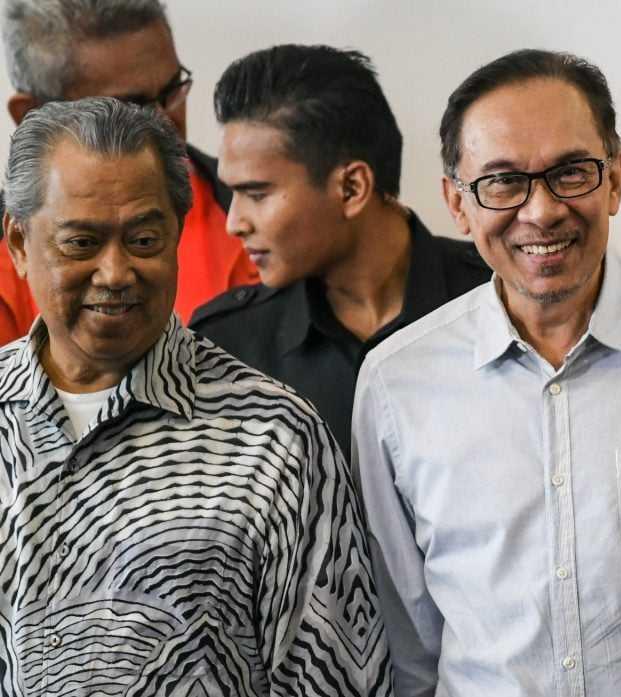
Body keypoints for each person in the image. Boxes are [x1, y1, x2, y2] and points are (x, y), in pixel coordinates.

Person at [352, 49, 621, 697]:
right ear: (457, 203)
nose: (542, 211)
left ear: (616, 178)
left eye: (571, 172)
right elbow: (408, 647)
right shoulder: (395, 383)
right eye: (502, 182)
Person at [0, 97, 391, 696]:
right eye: (81, 243)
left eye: (144, 240)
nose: (116, 273)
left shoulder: (275, 439)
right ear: (20, 244)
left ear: (177, 235)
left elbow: (340, 679)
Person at [190, 45, 490, 458]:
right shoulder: (226, 347)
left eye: (256, 194)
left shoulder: (498, 301)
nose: (234, 222)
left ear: (351, 188)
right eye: (233, 194)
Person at [0, 0, 257, 342]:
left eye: (172, 90)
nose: (166, 123)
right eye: (130, 108)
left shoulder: (260, 227)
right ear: (31, 112)